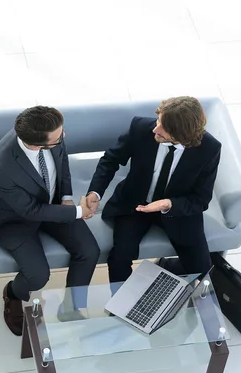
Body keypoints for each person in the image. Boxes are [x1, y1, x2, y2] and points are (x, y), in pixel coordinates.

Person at [0, 106, 100, 336]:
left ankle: (71, 308)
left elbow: (63, 167)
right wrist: (77, 212)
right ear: (36, 145)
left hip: (53, 205)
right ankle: (13, 293)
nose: (63, 137)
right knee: (37, 276)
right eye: (58, 138)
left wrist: (66, 199)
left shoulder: (51, 132)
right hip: (14, 220)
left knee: (89, 251)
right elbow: (31, 211)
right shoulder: (0, 167)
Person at [86, 96, 221, 286]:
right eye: (158, 121)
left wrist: (169, 204)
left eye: (163, 127)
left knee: (201, 268)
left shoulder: (209, 149)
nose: (155, 129)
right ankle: (122, 304)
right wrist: (95, 192)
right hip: (135, 205)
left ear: (182, 134)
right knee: (119, 258)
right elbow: (110, 160)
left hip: (176, 210)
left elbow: (201, 198)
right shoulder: (141, 128)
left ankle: (166, 267)